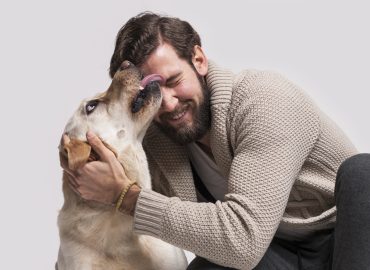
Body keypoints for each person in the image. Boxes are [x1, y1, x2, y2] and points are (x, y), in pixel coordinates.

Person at [63, 12, 370, 270]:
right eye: (152, 92)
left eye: (173, 81)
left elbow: (243, 240)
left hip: (347, 243)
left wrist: (126, 196)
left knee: (362, 173)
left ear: (198, 60)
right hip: (280, 253)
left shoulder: (265, 99)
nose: (168, 104)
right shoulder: (158, 143)